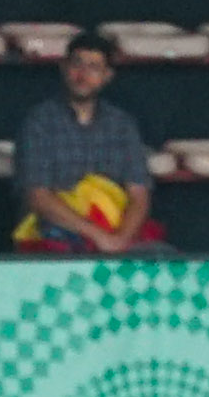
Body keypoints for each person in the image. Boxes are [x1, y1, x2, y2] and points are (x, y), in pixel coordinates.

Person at [12, 32, 167, 255]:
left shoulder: (122, 124)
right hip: (54, 238)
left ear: (107, 76)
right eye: (77, 64)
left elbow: (139, 194)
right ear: (63, 67)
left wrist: (119, 240)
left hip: (115, 236)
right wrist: (98, 236)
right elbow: (38, 196)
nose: (83, 75)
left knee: (163, 257)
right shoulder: (39, 121)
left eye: (94, 68)